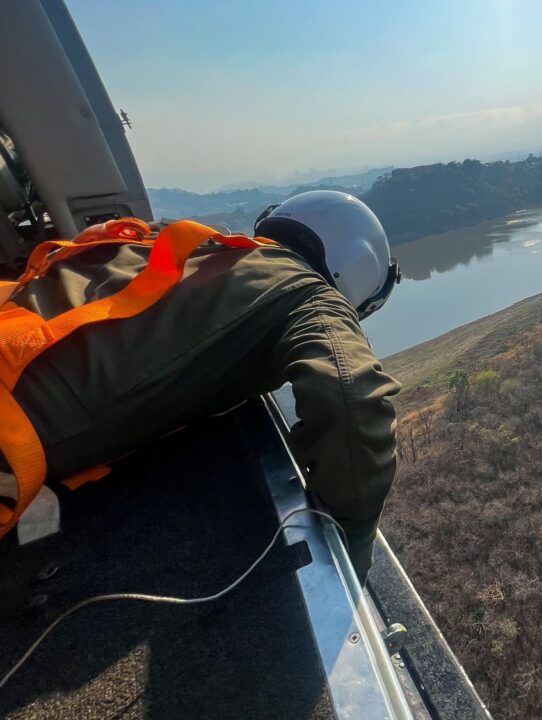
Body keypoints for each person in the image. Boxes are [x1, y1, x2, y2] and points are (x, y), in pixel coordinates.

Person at [0, 190, 401, 583]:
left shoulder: (192, 242)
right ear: (356, 279)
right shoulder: (310, 297)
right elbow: (352, 401)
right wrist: (353, 551)